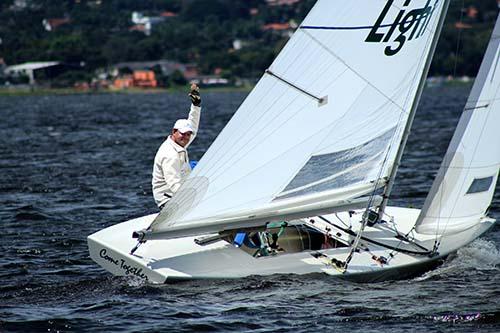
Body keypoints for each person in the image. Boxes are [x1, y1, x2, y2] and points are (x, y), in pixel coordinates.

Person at [152, 83, 201, 209]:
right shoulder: (170, 155)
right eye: (183, 134)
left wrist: (196, 106)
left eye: (188, 134)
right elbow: (174, 184)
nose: (186, 137)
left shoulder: (178, 142)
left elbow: (193, 126)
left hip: (177, 195)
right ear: (174, 132)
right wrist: (193, 200)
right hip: (168, 201)